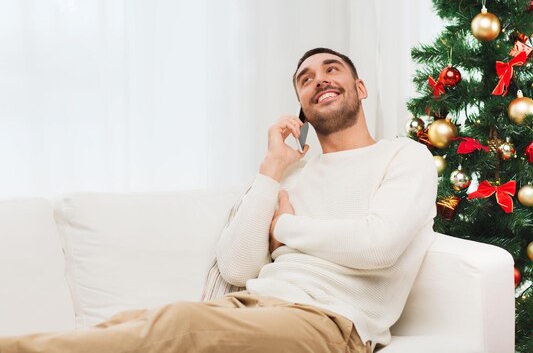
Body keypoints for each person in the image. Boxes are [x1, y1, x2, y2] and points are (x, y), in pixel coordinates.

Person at [0, 48, 437, 353]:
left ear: (359, 87)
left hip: (330, 324)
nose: (319, 79)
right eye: (305, 79)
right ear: (302, 108)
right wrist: (271, 167)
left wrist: (285, 230)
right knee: (128, 324)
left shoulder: (404, 156)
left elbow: (378, 245)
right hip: (255, 306)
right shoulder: (294, 175)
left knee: (174, 327)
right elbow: (237, 268)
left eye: (331, 69)